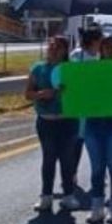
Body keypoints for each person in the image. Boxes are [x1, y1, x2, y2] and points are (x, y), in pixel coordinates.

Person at [25, 36, 81, 212]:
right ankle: (46, 196)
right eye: (50, 47)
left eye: (57, 47)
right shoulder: (38, 68)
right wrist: (42, 94)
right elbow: (28, 93)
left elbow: (83, 92)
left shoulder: (72, 69)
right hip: (46, 121)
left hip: (68, 120)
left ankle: (68, 195)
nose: (53, 50)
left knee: (67, 159)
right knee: (48, 158)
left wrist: (70, 89)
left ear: (65, 50)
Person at [82, 36, 112, 224]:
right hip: (94, 123)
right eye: (105, 46)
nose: (109, 50)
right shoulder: (90, 69)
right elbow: (82, 93)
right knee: (97, 168)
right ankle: (97, 206)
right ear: (100, 49)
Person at [70, 24, 103, 192]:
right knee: (78, 141)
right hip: (80, 107)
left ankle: (99, 175)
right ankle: (72, 173)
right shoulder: (77, 56)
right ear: (95, 40)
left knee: (97, 143)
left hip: (97, 107)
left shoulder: (101, 57)